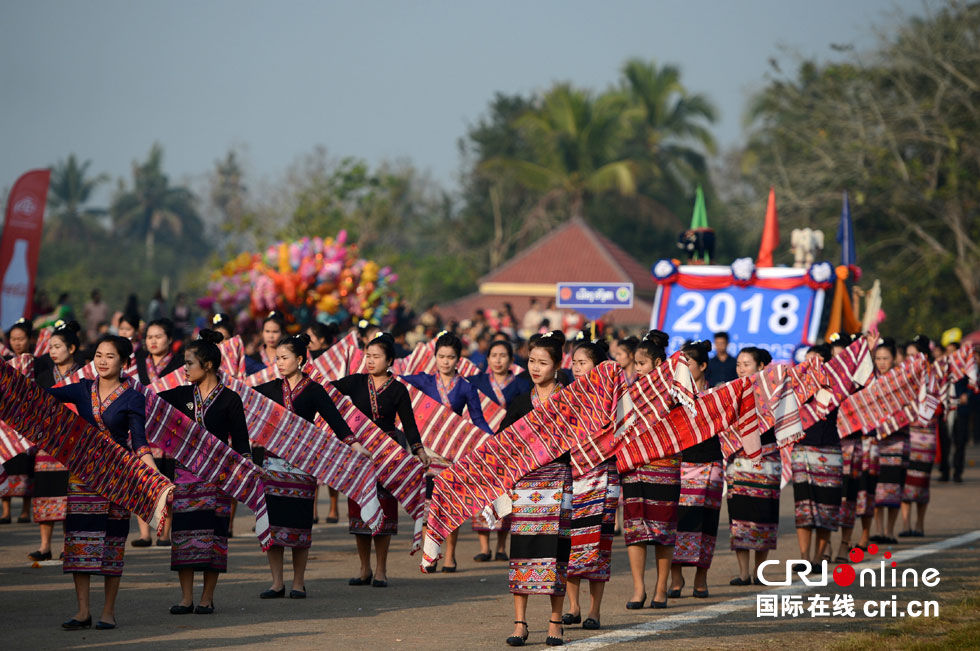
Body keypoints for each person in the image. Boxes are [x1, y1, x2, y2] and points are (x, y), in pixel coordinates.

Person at [46, 335, 156, 630]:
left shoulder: (133, 396)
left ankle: (108, 612)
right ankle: (83, 611)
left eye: (110, 356)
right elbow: (41, 396)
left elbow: (140, 442)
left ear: (124, 362)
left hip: (117, 479)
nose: (103, 361)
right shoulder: (82, 389)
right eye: (98, 355)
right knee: (79, 543)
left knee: (112, 544)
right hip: (82, 476)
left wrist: (155, 476)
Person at [254, 334, 367, 599]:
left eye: (284, 358)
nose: (279, 363)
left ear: (301, 359)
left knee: (299, 524)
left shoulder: (315, 390)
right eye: (277, 359)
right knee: (274, 525)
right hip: (272, 466)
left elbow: (336, 421)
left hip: (303, 467)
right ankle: (277, 582)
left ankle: (298, 582)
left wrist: (354, 444)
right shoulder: (270, 389)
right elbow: (242, 405)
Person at [157, 330, 250, 616]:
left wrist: (247, 473)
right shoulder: (180, 395)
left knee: (214, 538)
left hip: (217, 479)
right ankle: (186, 598)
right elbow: (146, 403)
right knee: (184, 537)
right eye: (184, 363)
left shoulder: (230, 399)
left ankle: (207, 598)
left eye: (189, 363)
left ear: (207, 365)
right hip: (185, 478)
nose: (184, 369)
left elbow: (242, 443)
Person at [332, 333, 430, 588]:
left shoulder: (398, 389)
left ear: (389, 361)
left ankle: (381, 570)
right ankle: (363, 568)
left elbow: (409, 424)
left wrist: (419, 451)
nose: (370, 361)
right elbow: (325, 391)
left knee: (384, 509)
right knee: (359, 508)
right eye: (367, 356)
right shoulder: (355, 382)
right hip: (360, 453)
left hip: (388, 455)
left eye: (376, 357)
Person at [501, 331, 570, 647]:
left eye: (543, 362)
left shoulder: (571, 399)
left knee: (556, 554)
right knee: (523, 554)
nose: (535, 367)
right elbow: (502, 445)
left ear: (557, 364)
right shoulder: (518, 401)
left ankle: (555, 623)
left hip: (559, 484)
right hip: (526, 487)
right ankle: (520, 623)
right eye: (531, 361)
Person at [402, 331, 493, 572]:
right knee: (427, 505)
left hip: (452, 452)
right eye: (441, 356)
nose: (445, 361)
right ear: (434, 357)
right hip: (426, 452)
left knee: (449, 505)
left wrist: (492, 440)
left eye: (450, 357)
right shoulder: (423, 381)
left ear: (458, 359)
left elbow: (478, 419)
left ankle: (450, 555)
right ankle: (429, 555)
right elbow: (398, 382)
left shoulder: (466, 387)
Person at [562, 336, 619, 630]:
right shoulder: (565, 395)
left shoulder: (613, 394)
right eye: (573, 363)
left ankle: (595, 610)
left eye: (582, 363)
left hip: (604, 474)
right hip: (573, 476)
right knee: (571, 540)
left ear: (598, 366)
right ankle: (572, 605)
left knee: (600, 541)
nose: (576, 368)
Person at [618, 330, 678, 611]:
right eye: (636, 364)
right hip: (634, 467)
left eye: (641, 364)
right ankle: (639, 588)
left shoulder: (675, 389)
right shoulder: (628, 390)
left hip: (665, 467)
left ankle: (661, 587)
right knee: (634, 528)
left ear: (656, 362)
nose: (637, 369)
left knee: (663, 529)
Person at [467, 339, 531, 562]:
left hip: (510, 447)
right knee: (482, 495)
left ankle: (502, 546)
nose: (498, 360)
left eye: (503, 355)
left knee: (505, 495)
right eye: (494, 355)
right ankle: (484, 547)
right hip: (482, 446)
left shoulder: (522, 385)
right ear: (487, 359)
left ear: (511, 361)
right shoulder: (476, 382)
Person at [669, 340, 720, 599]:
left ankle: (701, 577)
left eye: (687, 362)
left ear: (702, 365)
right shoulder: (672, 396)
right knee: (678, 519)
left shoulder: (716, 395)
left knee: (706, 523)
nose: (683, 367)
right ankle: (675, 577)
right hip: (681, 462)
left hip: (711, 462)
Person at [727, 346, 782, 585]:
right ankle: (743, 572)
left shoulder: (774, 392)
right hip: (738, 461)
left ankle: (760, 571)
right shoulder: (729, 391)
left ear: (761, 367)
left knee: (763, 515)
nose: (741, 368)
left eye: (746, 364)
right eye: (739, 363)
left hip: (766, 460)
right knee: (740, 514)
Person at [28, 320, 82, 561]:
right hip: (47, 443)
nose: (53, 351)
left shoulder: (84, 375)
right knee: (46, 491)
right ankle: (44, 545)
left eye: (58, 346)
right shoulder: (42, 377)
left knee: (69, 496)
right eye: (50, 347)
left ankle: (66, 546)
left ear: (71, 348)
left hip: (74, 443)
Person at [131, 317, 184, 547]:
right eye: (149, 337)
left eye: (158, 336)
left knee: (167, 481)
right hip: (142, 428)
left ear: (169, 339)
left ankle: (164, 533)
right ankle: (144, 533)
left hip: (170, 430)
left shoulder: (181, 365)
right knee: (143, 481)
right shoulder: (137, 362)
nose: (153, 341)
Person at [792, 344, 844, 568]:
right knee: (804, 506)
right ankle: (804, 557)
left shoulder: (837, 386)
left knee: (826, 505)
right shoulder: (796, 387)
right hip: (802, 450)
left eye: (814, 360)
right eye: (806, 360)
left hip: (829, 451)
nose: (809, 365)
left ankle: (818, 557)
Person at [871, 338, 908, 545]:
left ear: (894, 359)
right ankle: (878, 529)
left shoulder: (901, 381)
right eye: (878, 358)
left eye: (886, 358)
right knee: (876, 486)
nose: (882, 362)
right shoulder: (871, 381)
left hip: (896, 440)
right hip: (876, 441)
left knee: (893, 485)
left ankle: (890, 531)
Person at [900, 336, 937, 536]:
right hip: (907, 432)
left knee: (922, 479)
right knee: (905, 477)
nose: (910, 359)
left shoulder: (933, 375)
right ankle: (905, 524)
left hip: (926, 434)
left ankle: (920, 523)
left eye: (914, 355)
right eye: (908, 355)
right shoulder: (901, 377)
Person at [1, 318, 34, 524]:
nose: (17, 343)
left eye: (21, 339)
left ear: (29, 340)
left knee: (25, 465)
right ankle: (5, 510)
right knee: (6, 461)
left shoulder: (35, 362)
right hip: (6, 419)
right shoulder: (5, 360)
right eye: (14, 339)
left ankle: (24, 510)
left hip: (26, 420)